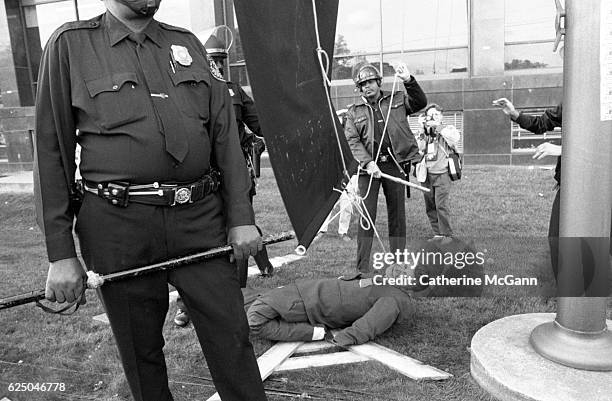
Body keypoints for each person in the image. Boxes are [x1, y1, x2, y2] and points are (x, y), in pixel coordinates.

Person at [34, 1, 267, 400]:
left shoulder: (187, 44)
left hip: (200, 219)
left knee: (233, 342)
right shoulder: (70, 45)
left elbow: (226, 137)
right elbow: (51, 150)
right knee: (142, 359)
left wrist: (241, 216)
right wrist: (60, 252)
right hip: (118, 226)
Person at [174, 31, 274, 328]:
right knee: (196, 244)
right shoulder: (185, 90)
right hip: (199, 182)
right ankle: (185, 306)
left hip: (235, 178)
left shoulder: (235, 91)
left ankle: (236, 297)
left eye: (220, 59)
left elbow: (260, 125)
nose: (216, 65)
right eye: (211, 59)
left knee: (241, 232)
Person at [247, 238, 482, 346]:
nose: (398, 266)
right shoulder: (383, 282)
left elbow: (368, 325)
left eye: (405, 271)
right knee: (241, 298)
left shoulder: (394, 299)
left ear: (412, 283)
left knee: (254, 320)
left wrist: (325, 335)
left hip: (305, 303)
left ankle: (311, 332)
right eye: (404, 262)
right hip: (299, 291)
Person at [344, 62, 427, 272]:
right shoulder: (353, 113)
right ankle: (362, 268)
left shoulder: (397, 99)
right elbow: (353, 141)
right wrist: (368, 162)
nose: (367, 87)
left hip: (394, 164)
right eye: (362, 84)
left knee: (397, 216)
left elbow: (419, 103)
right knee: (366, 217)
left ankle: (398, 264)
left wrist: (409, 80)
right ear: (359, 89)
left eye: (370, 82)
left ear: (378, 82)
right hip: (368, 170)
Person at [415, 104, 461, 240]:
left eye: (436, 114)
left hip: (442, 173)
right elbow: (419, 148)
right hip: (427, 174)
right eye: (430, 115)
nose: (433, 117)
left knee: (441, 205)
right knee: (430, 205)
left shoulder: (448, 129)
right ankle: (437, 233)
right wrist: (422, 129)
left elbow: (454, 138)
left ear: (441, 115)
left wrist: (437, 126)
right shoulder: (427, 132)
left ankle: (447, 235)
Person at [318, 174, 357, 242]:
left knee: (347, 205)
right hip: (335, 171)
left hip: (352, 173)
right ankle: (321, 230)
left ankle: (343, 232)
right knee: (328, 202)